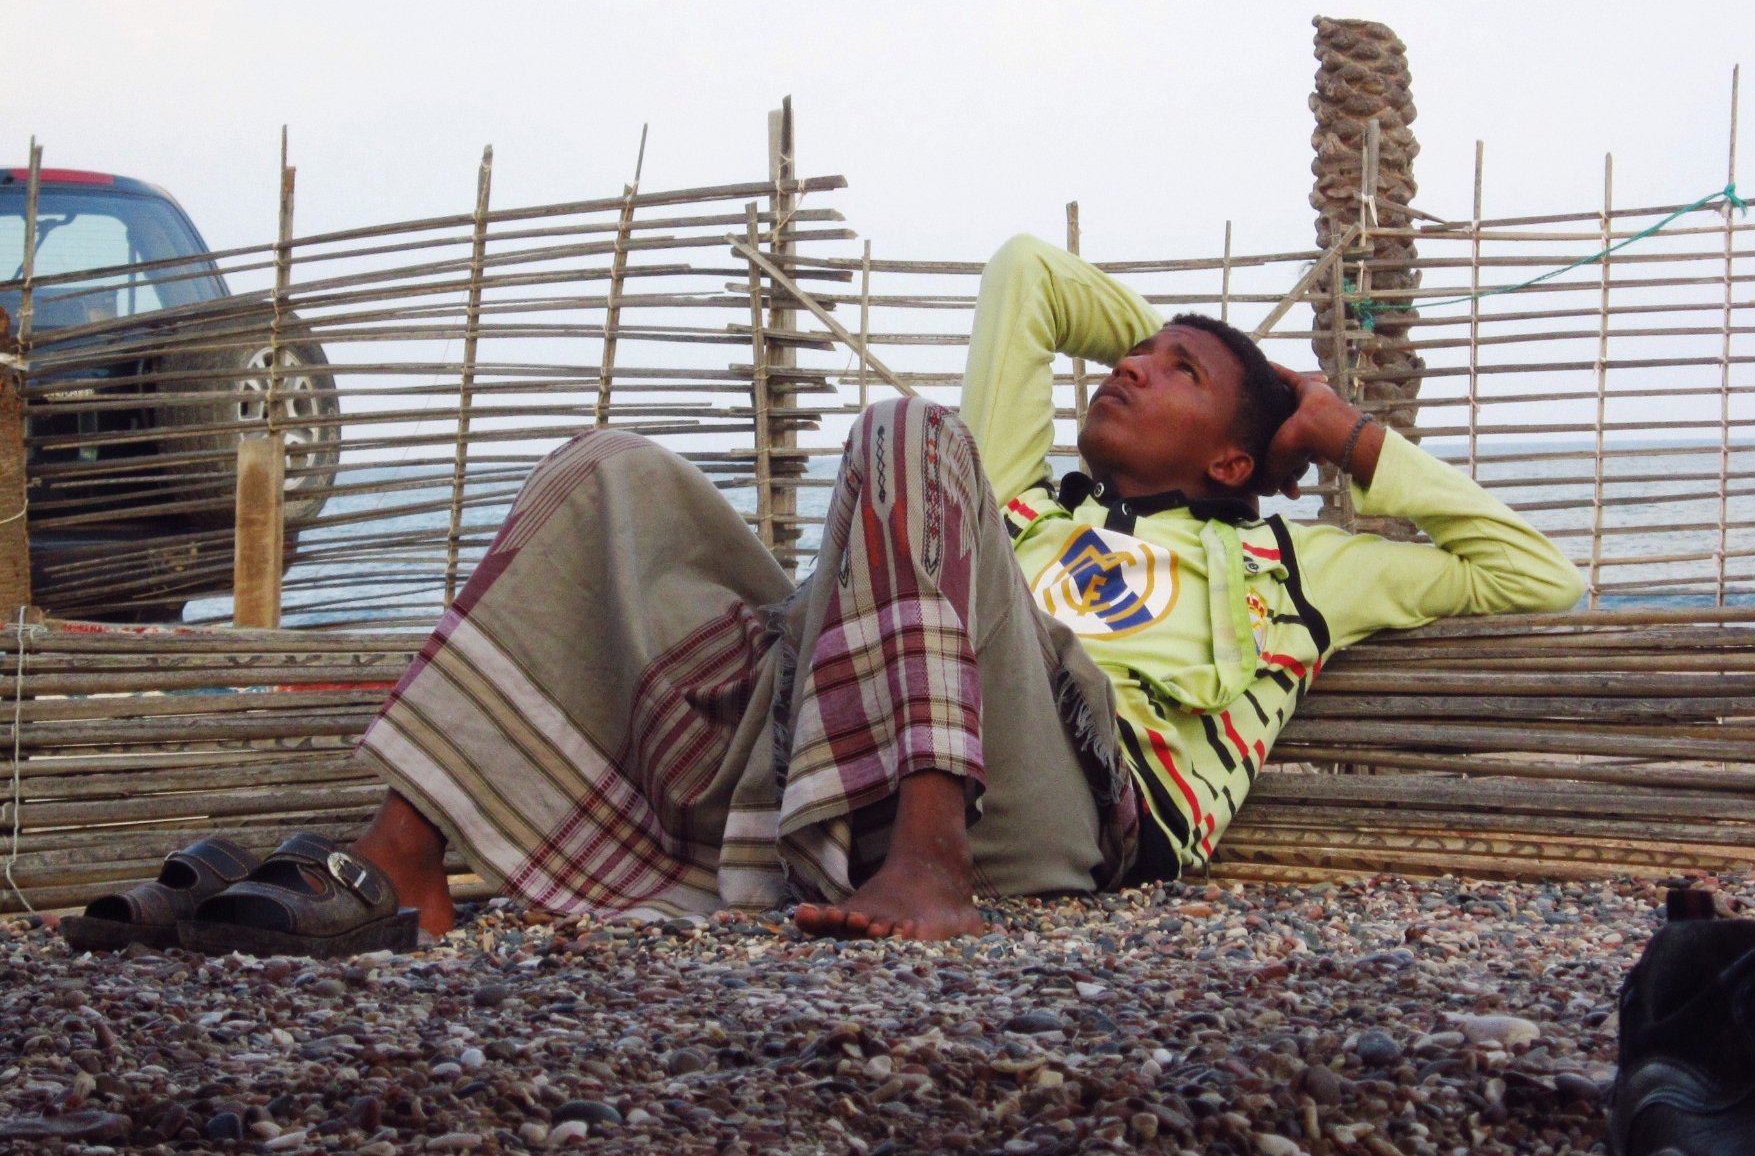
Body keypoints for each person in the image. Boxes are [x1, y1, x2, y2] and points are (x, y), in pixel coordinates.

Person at [187, 234, 1583, 950]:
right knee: (608, 467)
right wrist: (1196, 345)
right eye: (1138, 348)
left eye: (1179, 371)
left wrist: (1325, 428)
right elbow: (1030, 275)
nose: (1134, 366)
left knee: (909, 437)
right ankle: (408, 860)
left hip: (1062, 802)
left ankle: (931, 865)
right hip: (825, 722)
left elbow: (1537, 575)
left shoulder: (1293, 563)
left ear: (1230, 452)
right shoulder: (1021, 499)